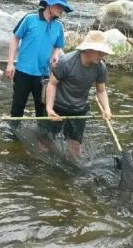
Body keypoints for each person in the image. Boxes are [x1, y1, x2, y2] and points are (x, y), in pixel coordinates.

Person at [44, 30, 113, 161]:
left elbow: (101, 91)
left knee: (75, 146)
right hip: (58, 106)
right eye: (99, 52)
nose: (102, 55)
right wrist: (49, 108)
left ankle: (73, 170)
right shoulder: (66, 62)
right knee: (46, 141)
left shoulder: (100, 67)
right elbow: (52, 84)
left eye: (103, 52)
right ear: (87, 50)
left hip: (79, 109)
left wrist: (107, 109)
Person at [6, 0, 71, 119]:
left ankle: (41, 136)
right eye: (59, 6)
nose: (61, 10)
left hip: (44, 76)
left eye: (63, 8)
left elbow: (58, 46)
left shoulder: (59, 26)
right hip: (23, 72)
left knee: (42, 111)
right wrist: (10, 63)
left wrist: (55, 54)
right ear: (50, 5)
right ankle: (13, 136)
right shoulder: (30, 19)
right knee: (17, 109)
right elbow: (15, 38)